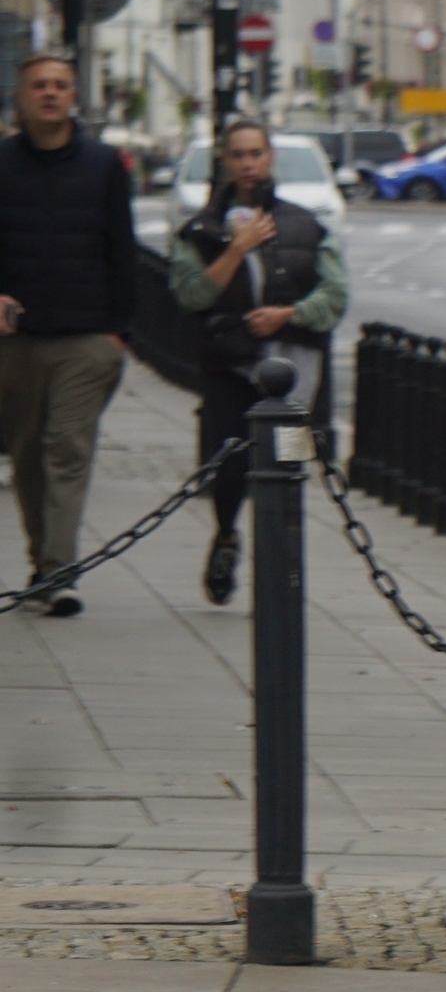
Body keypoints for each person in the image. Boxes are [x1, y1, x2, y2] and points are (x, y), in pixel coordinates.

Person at [170, 118, 347, 604]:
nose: (248, 164)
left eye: (256, 154)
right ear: (224, 163)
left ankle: (281, 569)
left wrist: (291, 314)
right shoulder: (202, 229)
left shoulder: (305, 226)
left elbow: (335, 295)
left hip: (294, 375)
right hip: (231, 365)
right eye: (238, 155)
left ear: (270, 159)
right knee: (227, 468)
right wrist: (238, 250)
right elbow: (191, 295)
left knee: (288, 467)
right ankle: (227, 536)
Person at [0, 54, 138, 617]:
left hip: (87, 337)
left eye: (60, 85)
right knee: (28, 454)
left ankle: (61, 571)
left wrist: (120, 333)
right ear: (22, 97)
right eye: (40, 86)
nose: (50, 94)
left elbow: (123, 251)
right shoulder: (2, 163)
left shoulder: (105, 165)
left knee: (67, 447)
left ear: (75, 95)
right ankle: (43, 561)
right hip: (16, 338)